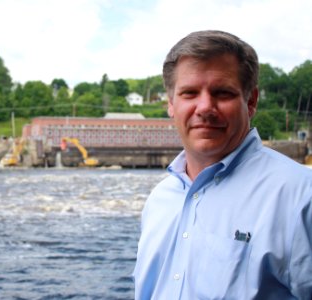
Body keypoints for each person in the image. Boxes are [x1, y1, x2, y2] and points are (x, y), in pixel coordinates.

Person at [133, 30, 312, 300]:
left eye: (222, 93)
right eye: (189, 93)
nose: (204, 107)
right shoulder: (160, 200)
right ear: (171, 103)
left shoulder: (300, 197)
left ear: (250, 101)